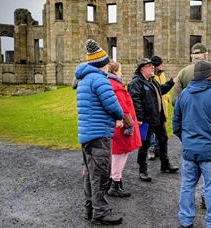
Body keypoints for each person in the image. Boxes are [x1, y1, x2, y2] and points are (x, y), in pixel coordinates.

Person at [173, 60, 211, 228]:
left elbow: (176, 124)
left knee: (187, 186)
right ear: (209, 76)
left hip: (190, 150)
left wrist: (186, 141)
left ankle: (185, 221)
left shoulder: (183, 95)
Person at [74, 39, 124, 225]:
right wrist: (119, 117)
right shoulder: (98, 79)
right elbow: (112, 105)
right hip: (99, 134)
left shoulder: (84, 79)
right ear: (102, 64)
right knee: (101, 174)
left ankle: (90, 207)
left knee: (90, 173)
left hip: (87, 134)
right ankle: (100, 212)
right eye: (106, 62)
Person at [128, 58, 179, 182]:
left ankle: (165, 164)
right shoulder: (136, 82)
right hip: (146, 119)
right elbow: (135, 101)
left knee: (163, 139)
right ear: (142, 68)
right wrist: (140, 118)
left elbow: (161, 90)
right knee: (144, 144)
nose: (152, 67)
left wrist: (172, 82)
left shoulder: (152, 80)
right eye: (149, 66)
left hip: (157, 117)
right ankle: (142, 170)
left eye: (152, 65)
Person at [107, 61, 142, 197]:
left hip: (119, 125)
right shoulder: (117, 86)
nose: (122, 72)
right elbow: (122, 107)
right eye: (120, 70)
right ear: (115, 71)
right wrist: (130, 123)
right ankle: (115, 183)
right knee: (120, 154)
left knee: (118, 153)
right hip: (123, 126)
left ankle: (114, 181)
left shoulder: (113, 85)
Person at [147, 55, 172, 160]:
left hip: (162, 108)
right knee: (151, 131)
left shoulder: (162, 74)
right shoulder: (151, 77)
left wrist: (167, 99)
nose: (163, 66)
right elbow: (161, 89)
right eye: (161, 64)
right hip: (153, 109)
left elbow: (163, 90)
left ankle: (158, 149)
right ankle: (151, 149)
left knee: (161, 134)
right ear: (156, 66)